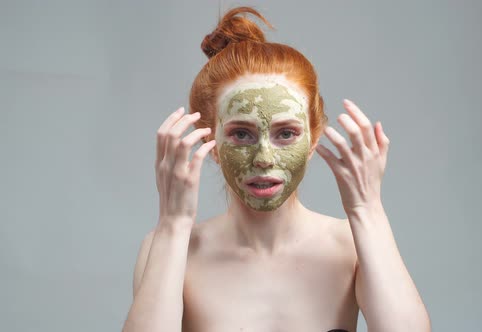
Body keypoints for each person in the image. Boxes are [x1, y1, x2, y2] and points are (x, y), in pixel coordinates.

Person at [122, 6, 431, 332]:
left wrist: (368, 210)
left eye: (286, 133)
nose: (263, 158)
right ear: (210, 140)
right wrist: (173, 224)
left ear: (313, 139)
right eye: (241, 134)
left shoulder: (352, 245)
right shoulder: (171, 249)